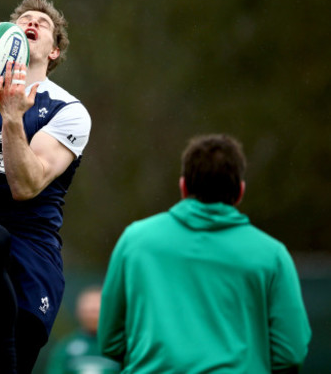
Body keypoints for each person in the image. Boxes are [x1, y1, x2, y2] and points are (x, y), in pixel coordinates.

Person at [0, 0, 91, 373]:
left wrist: (11, 119)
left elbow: (26, 187)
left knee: (25, 338)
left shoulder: (68, 111)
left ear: (54, 51)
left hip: (35, 240)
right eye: (24, 18)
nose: (31, 22)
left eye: (42, 23)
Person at [97, 134, 311, 374]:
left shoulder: (135, 241)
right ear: (240, 191)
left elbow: (110, 340)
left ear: (183, 186)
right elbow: (290, 352)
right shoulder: (272, 254)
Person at [45, 286, 120, 374]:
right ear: (79, 311)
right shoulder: (66, 346)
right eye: (88, 310)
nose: (92, 316)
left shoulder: (120, 345)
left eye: (95, 310)